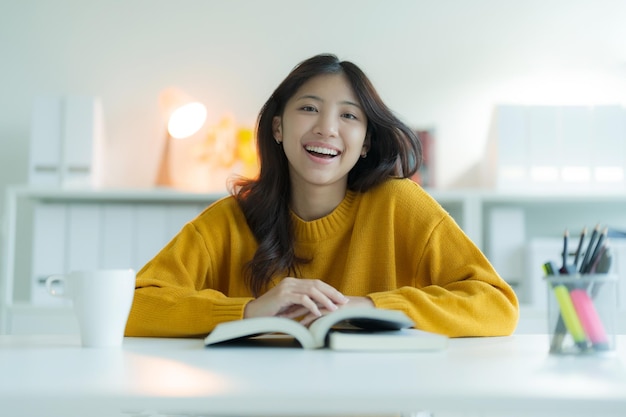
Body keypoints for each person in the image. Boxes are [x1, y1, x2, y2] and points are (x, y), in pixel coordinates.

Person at [125, 53, 519, 338]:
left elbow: (496, 304)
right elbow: (131, 306)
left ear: (365, 142)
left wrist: (369, 308)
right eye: (309, 108)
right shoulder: (229, 219)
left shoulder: (401, 204)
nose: (327, 128)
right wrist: (248, 311)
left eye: (348, 116)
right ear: (278, 128)